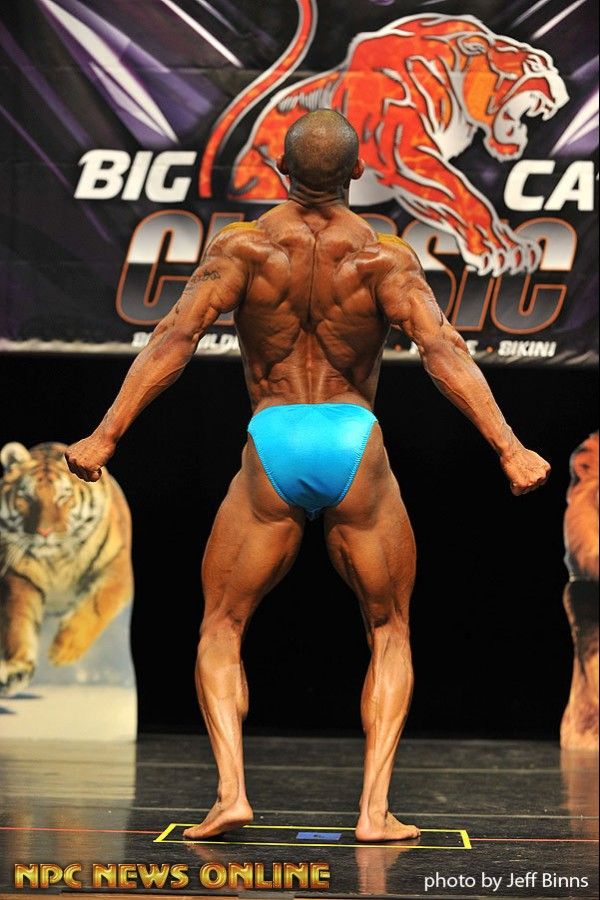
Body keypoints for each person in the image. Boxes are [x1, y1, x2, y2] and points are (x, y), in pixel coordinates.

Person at [65, 109, 550, 842]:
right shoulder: (383, 258)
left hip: (275, 439)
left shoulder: (244, 248)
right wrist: (509, 448)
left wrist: (106, 435)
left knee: (222, 625)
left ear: (281, 168)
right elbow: (443, 349)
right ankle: (373, 812)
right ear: (358, 171)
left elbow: (174, 337)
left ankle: (231, 795)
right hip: (354, 441)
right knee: (388, 629)